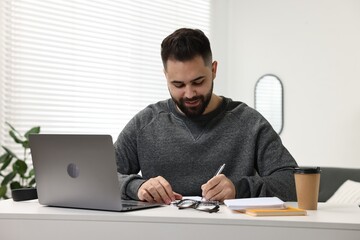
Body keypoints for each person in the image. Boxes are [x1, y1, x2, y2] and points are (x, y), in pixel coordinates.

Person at [114, 28, 298, 205]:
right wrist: (135, 186)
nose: (189, 94)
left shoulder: (249, 123)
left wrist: (239, 189)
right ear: (166, 76)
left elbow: (293, 182)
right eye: (178, 85)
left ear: (214, 70)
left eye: (198, 82)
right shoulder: (145, 123)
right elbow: (97, 175)